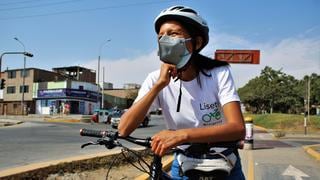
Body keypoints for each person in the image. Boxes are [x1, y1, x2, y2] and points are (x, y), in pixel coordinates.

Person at [118, 5, 245, 179]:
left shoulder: (218, 73)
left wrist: (181, 135)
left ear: (197, 42)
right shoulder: (155, 79)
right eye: (160, 36)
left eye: (173, 34)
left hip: (223, 161)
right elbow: (124, 129)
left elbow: (237, 128)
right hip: (185, 162)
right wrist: (159, 86)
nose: (165, 39)